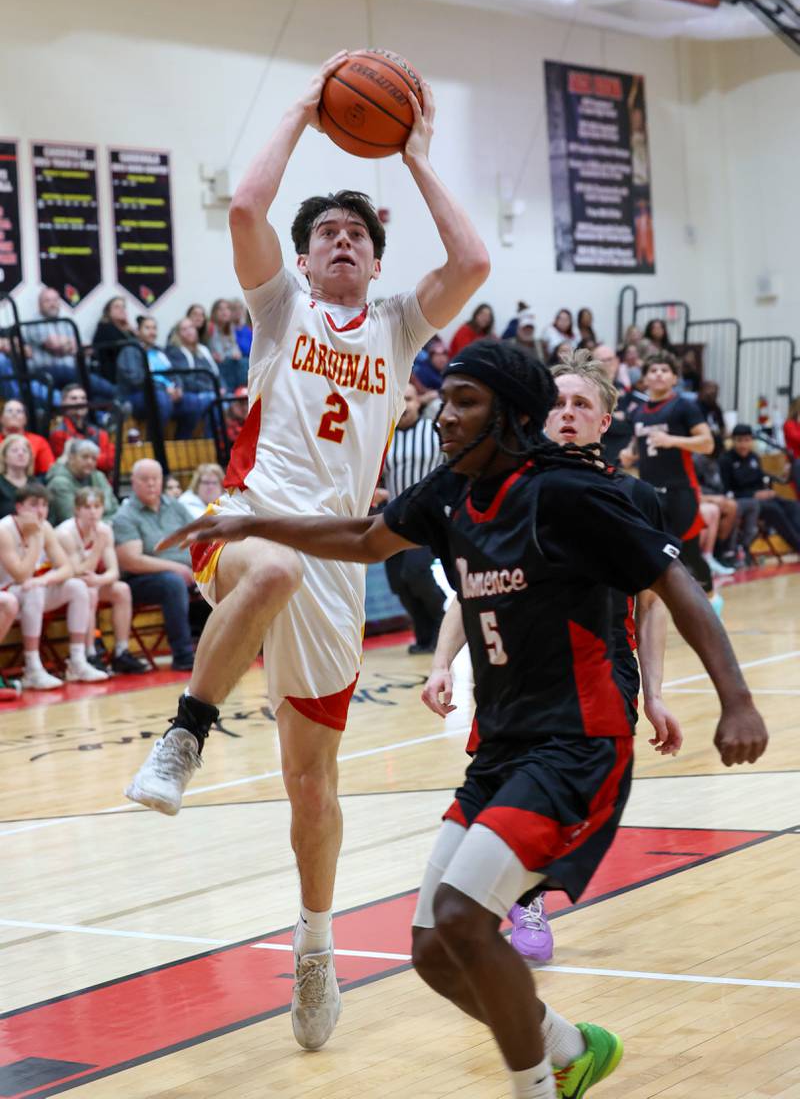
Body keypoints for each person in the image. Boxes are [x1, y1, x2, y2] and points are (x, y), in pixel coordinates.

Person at [161, 340, 767, 1099]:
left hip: (576, 747)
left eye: (466, 403)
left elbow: (670, 581)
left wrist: (736, 701)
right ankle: (570, 1047)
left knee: (461, 914)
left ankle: (535, 1088)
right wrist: (250, 524)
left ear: (514, 418)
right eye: (444, 400)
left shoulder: (567, 493)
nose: (445, 417)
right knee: (433, 950)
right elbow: (361, 538)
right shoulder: (450, 492)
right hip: (502, 752)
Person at [124, 50, 490, 1053]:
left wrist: (412, 154)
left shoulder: (400, 324)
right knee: (270, 562)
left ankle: (316, 950)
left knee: (310, 788)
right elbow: (245, 209)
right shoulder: (279, 310)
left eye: (355, 236)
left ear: (375, 261)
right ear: (307, 255)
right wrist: (301, 104)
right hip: (246, 520)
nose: (340, 241)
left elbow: (472, 264)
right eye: (326, 232)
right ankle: (186, 734)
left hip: (339, 560)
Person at [423, 348, 682, 967]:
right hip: (512, 667)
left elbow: (653, 605)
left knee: (560, 792)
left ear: (603, 421)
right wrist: (440, 663)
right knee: (503, 783)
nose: (566, 415)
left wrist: (656, 692)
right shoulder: (502, 488)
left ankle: (522, 889)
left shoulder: (636, 498)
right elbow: (469, 588)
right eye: (556, 404)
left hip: (601, 671)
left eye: (580, 405)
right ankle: (520, 900)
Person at [620, 352, 716, 599]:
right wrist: (629, 454)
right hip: (649, 492)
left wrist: (672, 440)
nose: (659, 374)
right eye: (653, 370)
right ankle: (660, 607)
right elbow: (639, 441)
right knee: (657, 553)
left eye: (665, 370)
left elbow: (707, 444)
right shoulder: (638, 411)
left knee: (687, 551)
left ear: (674, 378)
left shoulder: (684, 406)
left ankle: (711, 599)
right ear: (644, 379)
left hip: (681, 489)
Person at [0, 482, 109, 688]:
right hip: (7, 591)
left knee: (77, 586)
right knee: (34, 590)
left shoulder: (46, 527)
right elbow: (21, 575)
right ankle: (32, 668)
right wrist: (34, 538)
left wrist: (43, 579)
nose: (40, 510)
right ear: (19, 507)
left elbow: (66, 568)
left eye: (44, 505)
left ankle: (77, 661)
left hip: (29, 591)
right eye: (34, 504)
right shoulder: (4, 529)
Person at [112, 459, 197, 672]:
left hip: (188, 572)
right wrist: (176, 568)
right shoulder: (126, 516)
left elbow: (198, 538)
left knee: (224, 572)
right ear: (133, 482)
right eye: (145, 479)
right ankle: (183, 654)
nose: (151, 484)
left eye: (155, 479)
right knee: (173, 583)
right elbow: (131, 561)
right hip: (142, 580)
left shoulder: (176, 507)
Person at [56, 487, 151, 675]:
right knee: (88, 591)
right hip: (62, 586)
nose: (92, 511)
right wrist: (98, 547)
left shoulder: (105, 530)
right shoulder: (65, 533)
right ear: (77, 510)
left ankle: (121, 652)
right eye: (87, 507)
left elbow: (114, 572)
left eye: (97, 506)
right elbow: (78, 572)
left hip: (88, 584)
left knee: (122, 589)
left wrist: (99, 578)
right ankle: (91, 653)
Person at [379, 384, 445, 653]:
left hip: (428, 517)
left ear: (419, 402)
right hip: (394, 518)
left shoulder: (434, 432)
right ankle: (424, 635)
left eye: (408, 399)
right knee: (399, 584)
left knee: (416, 572)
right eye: (399, 399)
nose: (404, 405)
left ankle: (443, 623)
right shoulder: (385, 438)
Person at [117, 316, 211, 439]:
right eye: (147, 328)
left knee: (194, 403)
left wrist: (178, 388)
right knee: (161, 399)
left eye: (154, 328)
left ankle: (181, 442)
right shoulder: (131, 350)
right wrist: (164, 389)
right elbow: (136, 379)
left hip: (166, 395)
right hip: (138, 396)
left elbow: (174, 373)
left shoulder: (160, 352)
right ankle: (154, 444)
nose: (152, 332)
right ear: (138, 331)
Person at [718, 424, 800, 556]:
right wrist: (753, 494)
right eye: (739, 440)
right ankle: (798, 545)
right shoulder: (725, 461)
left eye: (747, 440)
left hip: (763, 497)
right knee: (775, 510)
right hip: (744, 501)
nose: (743, 445)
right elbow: (726, 491)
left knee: (793, 506)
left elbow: (761, 479)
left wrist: (768, 490)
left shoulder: (754, 457)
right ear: (733, 441)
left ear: (751, 441)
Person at [25, 286, 115, 401]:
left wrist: (66, 344)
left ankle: (108, 414)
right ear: (39, 304)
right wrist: (70, 344)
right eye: (47, 301)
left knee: (96, 397)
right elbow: (54, 345)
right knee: (81, 377)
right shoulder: (34, 322)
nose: (52, 304)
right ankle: (116, 392)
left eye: (55, 300)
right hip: (46, 370)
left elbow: (85, 348)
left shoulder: (67, 322)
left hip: (71, 371)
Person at [46, 439, 119, 526]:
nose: (90, 462)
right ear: (71, 458)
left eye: (94, 458)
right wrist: (108, 523)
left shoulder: (99, 476)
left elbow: (114, 508)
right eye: (85, 457)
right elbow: (73, 519)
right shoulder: (59, 483)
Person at [49, 382, 116, 475]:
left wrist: (83, 457)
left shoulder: (100, 433)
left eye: (83, 398)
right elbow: (72, 465)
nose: (79, 402)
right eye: (74, 398)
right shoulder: (58, 434)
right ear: (63, 403)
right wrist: (98, 458)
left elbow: (110, 461)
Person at [591, 344, 637, 466]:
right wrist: (622, 418)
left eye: (610, 359)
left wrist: (625, 416)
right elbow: (605, 425)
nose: (607, 363)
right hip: (601, 459)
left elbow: (637, 419)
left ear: (617, 361)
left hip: (626, 459)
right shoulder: (589, 390)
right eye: (602, 360)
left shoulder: (623, 388)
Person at [166, 317, 220, 412]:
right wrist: (213, 388)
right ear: (178, 334)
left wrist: (221, 387)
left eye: (191, 327)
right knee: (213, 400)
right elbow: (187, 380)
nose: (189, 331)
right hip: (195, 393)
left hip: (212, 390)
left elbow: (215, 372)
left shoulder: (203, 349)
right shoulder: (176, 352)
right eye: (184, 329)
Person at [0, 399, 55, 477]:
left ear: (25, 420)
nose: (14, 414)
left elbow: (49, 471)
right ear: (1, 418)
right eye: (9, 411)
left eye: (19, 411)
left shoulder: (39, 441)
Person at [91, 295, 137, 385]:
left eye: (123, 307)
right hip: (112, 376)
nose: (121, 309)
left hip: (128, 373)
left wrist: (132, 331)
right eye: (117, 307)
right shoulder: (105, 327)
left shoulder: (128, 330)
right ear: (108, 311)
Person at [207, 298, 247, 391]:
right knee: (242, 364)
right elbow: (219, 355)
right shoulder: (211, 328)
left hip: (230, 363)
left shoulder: (230, 328)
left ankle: (242, 392)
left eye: (227, 309)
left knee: (244, 362)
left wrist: (237, 353)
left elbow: (234, 347)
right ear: (214, 313)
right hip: (218, 365)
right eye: (220, 309)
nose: (224, 312)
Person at [0, 434, 34, 518]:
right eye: (15, 450)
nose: (21, 453)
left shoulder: (37, 485)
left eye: (25, 451)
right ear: (4, 456)